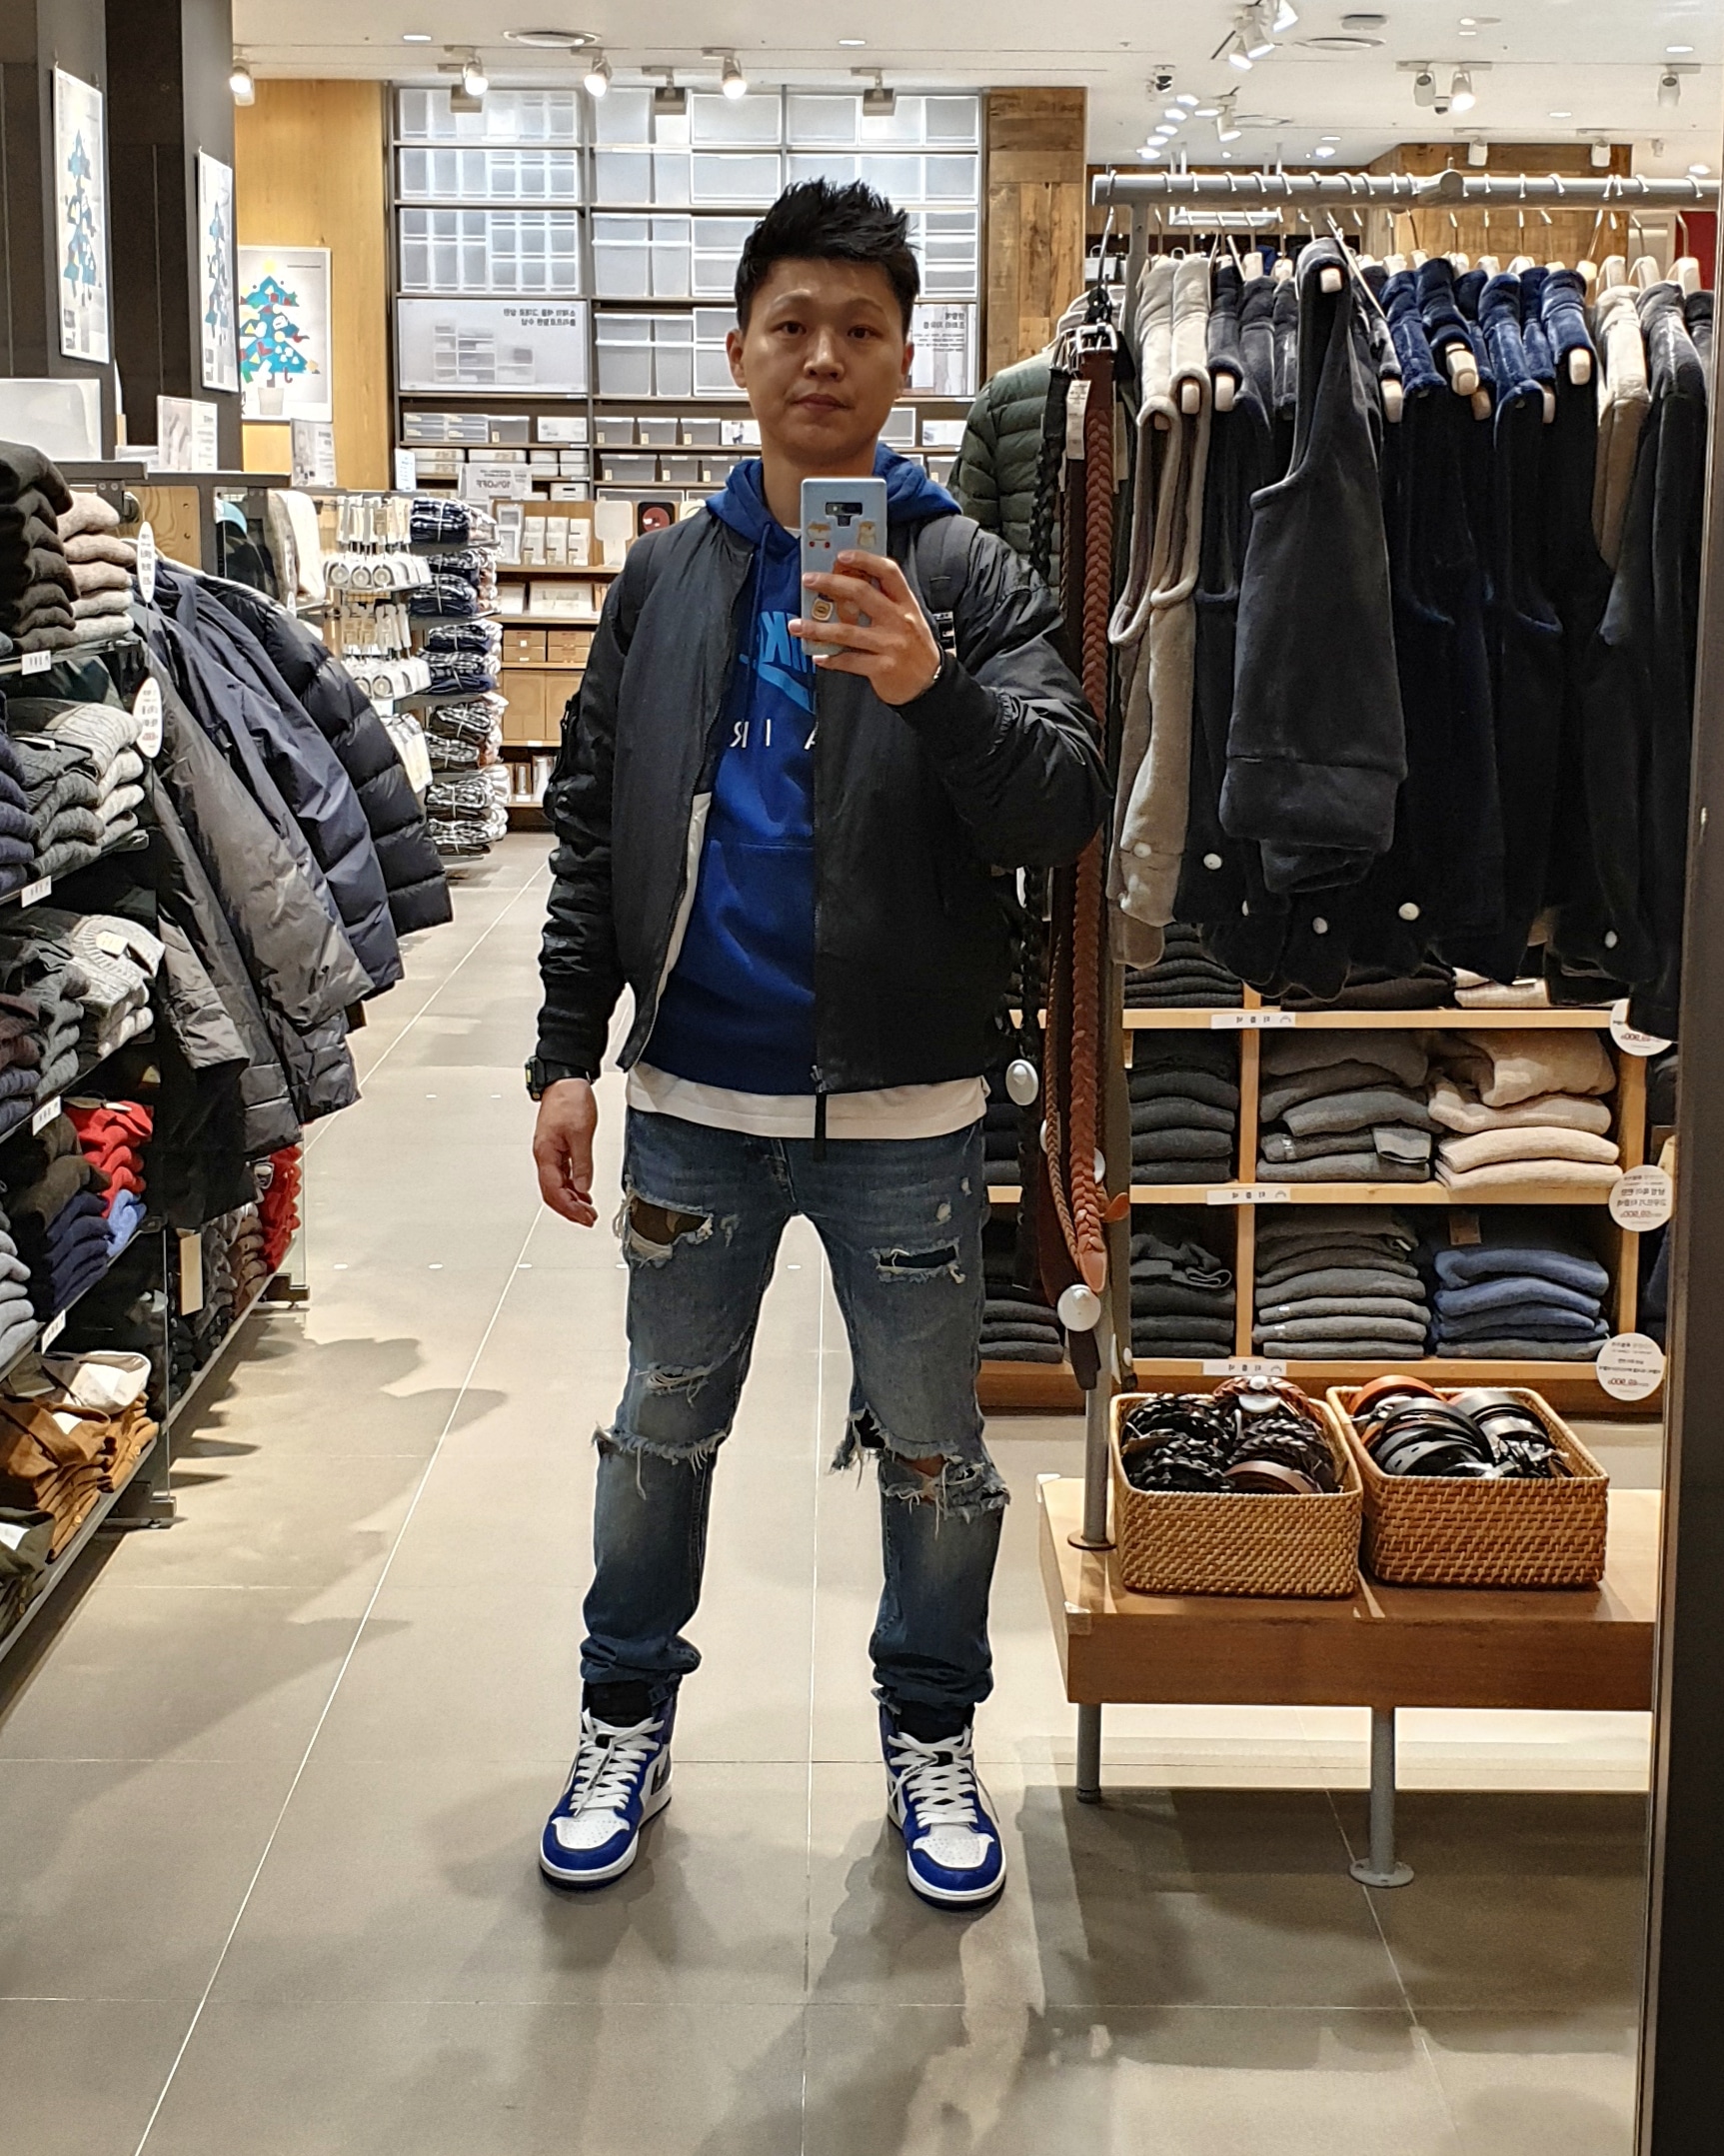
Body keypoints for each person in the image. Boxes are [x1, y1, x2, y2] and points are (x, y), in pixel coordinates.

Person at [528, 179, 1106, 1907]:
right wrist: (565, 1050)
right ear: (738, 350)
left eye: (861, 328)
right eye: (792, 324)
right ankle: (622, 1716)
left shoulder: (965, 569)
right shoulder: (664, 578)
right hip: (693, 1097)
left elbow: (1062, 800)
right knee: (658, 1434)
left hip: (907, 1111)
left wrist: (935, 686)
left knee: (935, 1454)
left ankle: (930, 1732)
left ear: (906, 359)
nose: (823, 357)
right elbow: (590, 822)